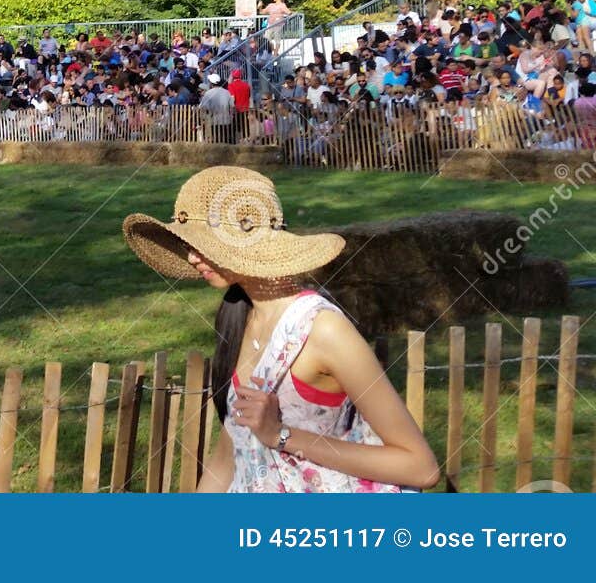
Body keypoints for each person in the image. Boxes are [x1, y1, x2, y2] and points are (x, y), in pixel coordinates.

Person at [122, 166, 440, 493]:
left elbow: (420, 467)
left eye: (202, 244)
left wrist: (281, 435)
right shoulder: (237, 315)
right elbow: (229, 457)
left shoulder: (322, 329)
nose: (190, 256)